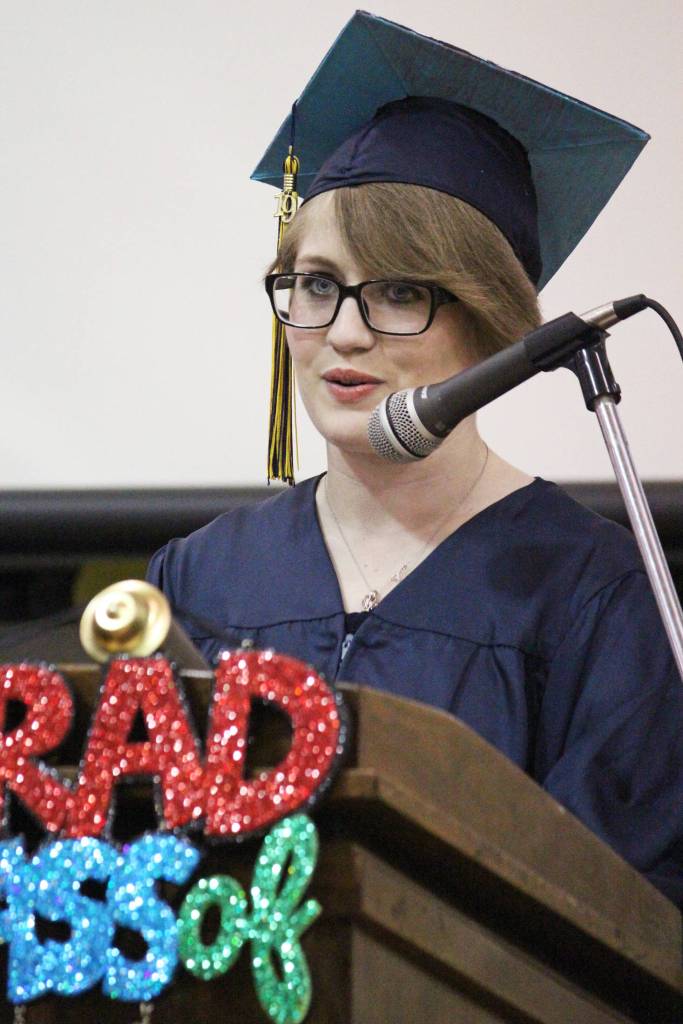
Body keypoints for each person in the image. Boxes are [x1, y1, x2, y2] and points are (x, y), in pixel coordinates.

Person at [148, 13, 683, 911]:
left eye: (400, 292)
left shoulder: (591, 591)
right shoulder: (204, 576)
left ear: (489, 320)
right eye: (315, 285)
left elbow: (622, 923)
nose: (344, 331)